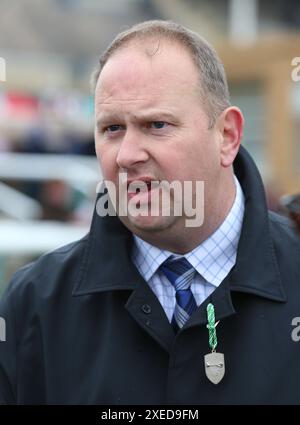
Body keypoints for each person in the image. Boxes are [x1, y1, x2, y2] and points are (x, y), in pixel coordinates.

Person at [1, 20, 300, 405]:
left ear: (226, 136)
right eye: (111, 128)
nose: (127, 155)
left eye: (157, 125)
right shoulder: (34, 306)